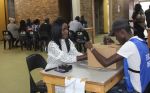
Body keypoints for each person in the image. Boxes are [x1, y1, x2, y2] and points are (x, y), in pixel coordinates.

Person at [85, 19, 150, 93]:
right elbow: (128, 49)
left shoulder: (129, 45)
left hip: (136, 90)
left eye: (116, 35)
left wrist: (91, 48)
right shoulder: (139, 40)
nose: (116, 38)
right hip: (146, 86)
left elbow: (106, 62)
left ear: (122, 32)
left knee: (104, 90)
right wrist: (113, 42)